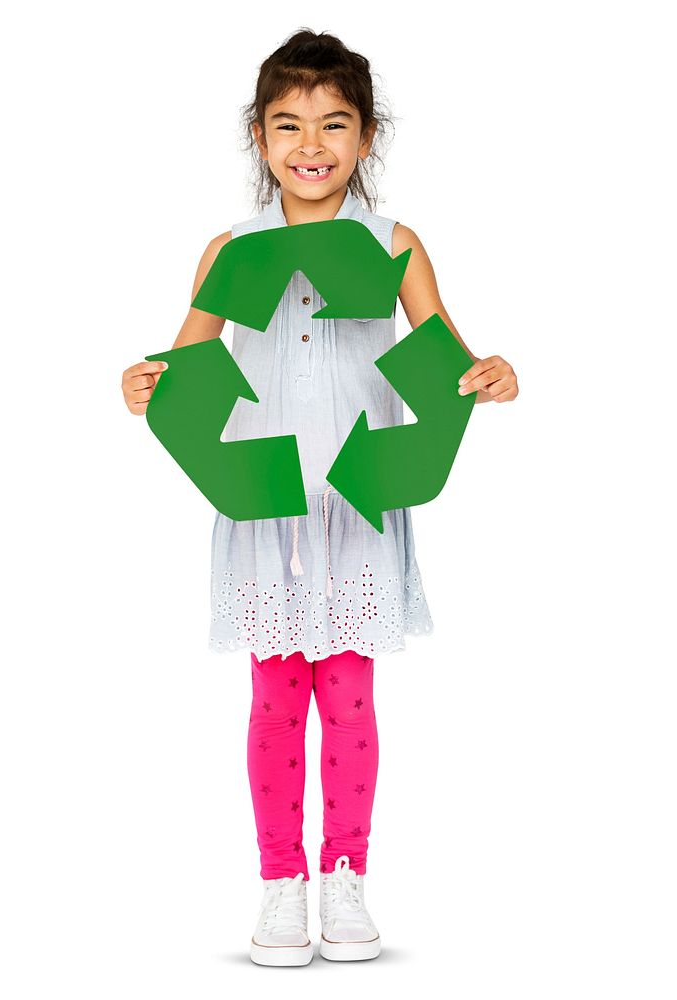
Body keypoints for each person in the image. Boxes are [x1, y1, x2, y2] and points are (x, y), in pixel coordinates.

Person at [121, 28, 519, 967]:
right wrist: (140, 384)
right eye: (289, 124)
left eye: (335, 123)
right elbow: (180, 364)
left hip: (358, 503)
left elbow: (446, 362)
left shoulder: (393, 243)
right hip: (265, 507)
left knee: (347, 699)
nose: (312, 143)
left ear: (366, 136)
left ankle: (346, 876)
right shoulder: (233, 250)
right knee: (272, 701)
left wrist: (492, 374)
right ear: (259, 138)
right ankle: (280, 886)